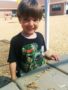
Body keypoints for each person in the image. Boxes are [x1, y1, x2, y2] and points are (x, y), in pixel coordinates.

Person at [7, 1, 59, 81]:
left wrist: (49, 55)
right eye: (26, 19)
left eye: (35, 20)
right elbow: (12, 61)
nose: (31, 24)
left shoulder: (40, 36)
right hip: (25, 77)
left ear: (39, 20)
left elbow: (43, 52)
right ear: (20, 19)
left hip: (41, 73)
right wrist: (13, 77)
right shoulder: (16, 41)